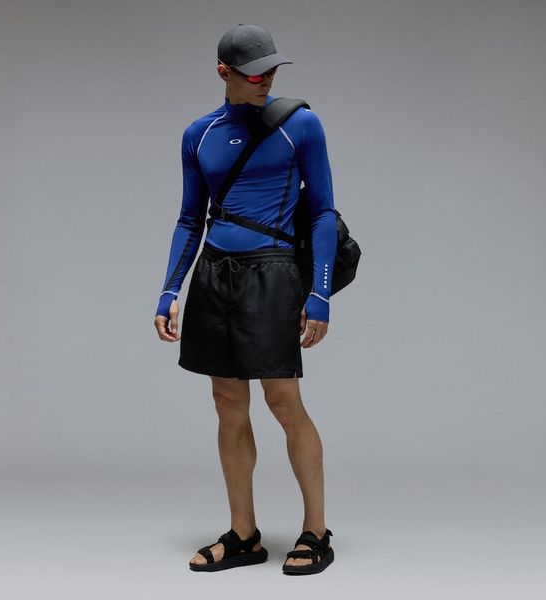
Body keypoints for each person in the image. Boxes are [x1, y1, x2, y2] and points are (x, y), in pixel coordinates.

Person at [154, 24, 337, 575]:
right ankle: (243, 534)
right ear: (224, 72)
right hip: (215, 273)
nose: (267, 80)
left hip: (273, 273)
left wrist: (320, 292)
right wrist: (169, 289)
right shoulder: (199, 134)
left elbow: (323, 212)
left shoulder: (300, 125)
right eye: (256, 74)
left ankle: (316, 531)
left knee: (283, 401)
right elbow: (190, 218)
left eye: (272, 71)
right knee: (227, 402)